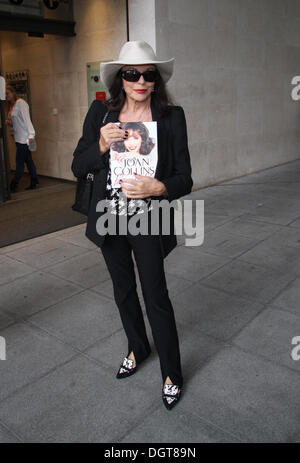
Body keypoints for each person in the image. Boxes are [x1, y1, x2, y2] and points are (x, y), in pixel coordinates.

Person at [71, 41, 193, 410]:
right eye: (131, 73)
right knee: (123, 291)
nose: (140, 80)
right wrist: (101, 146)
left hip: (148, 218)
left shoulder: (171, 118)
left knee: (156, 295)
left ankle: (172, 371)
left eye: (148, 74)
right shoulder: (101, 113)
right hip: (109, 216)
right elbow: (78, 166)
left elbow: (185, 178)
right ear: (119, 79)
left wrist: (160, 186)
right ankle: (137, 348)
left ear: (156, 80)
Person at [5, 84, 39, 192]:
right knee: (28, 160)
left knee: (19, 162)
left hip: (24, 139)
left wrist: (31, 135)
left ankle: (13, 185)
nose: (6, 96)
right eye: (4, 94)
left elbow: (27, 120)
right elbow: (16, 123)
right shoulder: (12, 106)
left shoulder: (21, 104)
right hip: (18, 138)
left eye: (8, 93)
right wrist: (9, 123)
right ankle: (34, 180)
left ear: (13, 92)